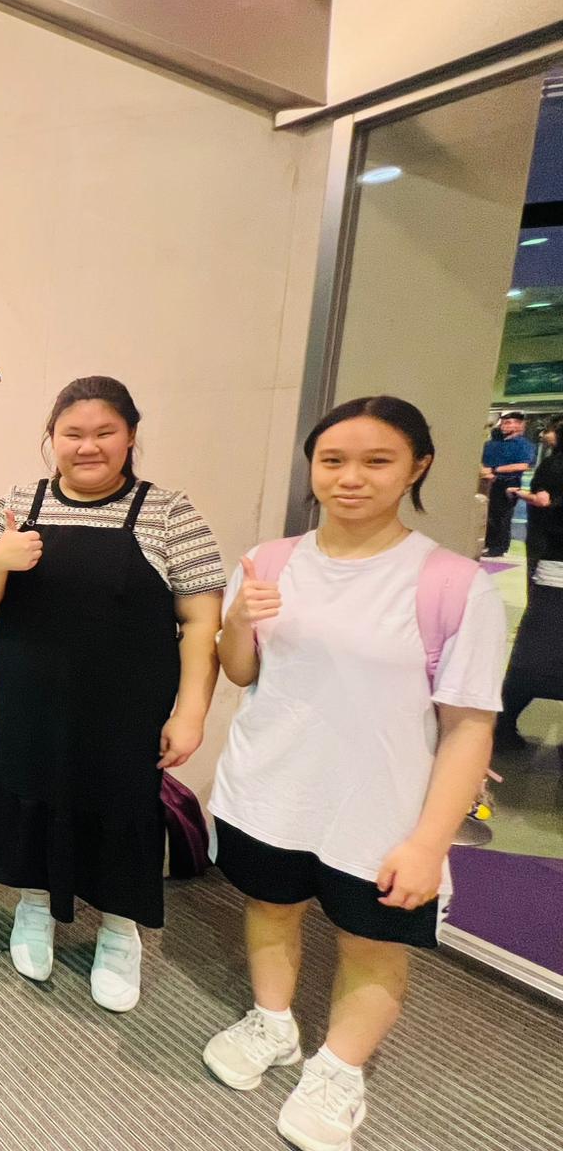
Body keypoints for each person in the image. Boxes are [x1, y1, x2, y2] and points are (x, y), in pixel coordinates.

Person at [205, 396, 504, 1151]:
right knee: (271, 907)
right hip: (269, 788)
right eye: (333, 460)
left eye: (377, 461)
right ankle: (273, 1022)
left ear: (417, 468)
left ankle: (340, 1067)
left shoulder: (452, 584)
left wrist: (430, 843)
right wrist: (238, 621)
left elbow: (469, 727)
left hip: (380, 812)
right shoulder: (271, 560)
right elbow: (242, 671)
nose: (350, 478)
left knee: (371, 944)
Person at [0, 376, 224, 1013]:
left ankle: (119, 930)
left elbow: (201, 621)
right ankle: (33, 907)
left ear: (130, 436)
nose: (87, 446)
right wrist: (1, 557)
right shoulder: (21, 501)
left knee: (120, 804)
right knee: (26, 787)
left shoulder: (169, 512)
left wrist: (191, 713)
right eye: (72, 434)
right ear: (51, 438)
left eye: (104, 432)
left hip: (124, 707)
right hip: (29, 697)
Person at [498, 416, 563, 749]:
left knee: (533, 658)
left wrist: (522, 494)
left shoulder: (554, 465)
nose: (546, 435)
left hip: (555, 568)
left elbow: (546, 503)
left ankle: (502, 725)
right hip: (554, 566)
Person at [480, 409, 534, 558]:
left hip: (508, 482)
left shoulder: (523, 445)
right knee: (488, 514)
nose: (505, 426)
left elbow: (523, 465)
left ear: (520, 425)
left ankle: (498, 547)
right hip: (488, 481)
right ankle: (488, 543)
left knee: (502, 515)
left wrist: (495, 470)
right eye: (504, 423)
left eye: (509, 423)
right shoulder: (493, 443)